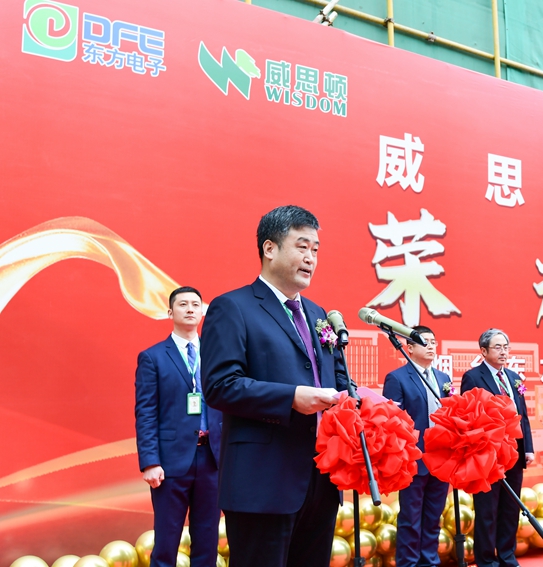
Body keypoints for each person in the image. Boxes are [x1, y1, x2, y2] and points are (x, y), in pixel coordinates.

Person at [201, 206, 349, 567]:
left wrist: (360, 400)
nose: (311, 258)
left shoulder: (318, 314)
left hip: (320, 479)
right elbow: (220, 385)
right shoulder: (232, 307)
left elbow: (336, 379)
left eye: (316, 249)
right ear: (270, 248)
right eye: (302, 246)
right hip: (262, 482)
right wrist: (291, 397)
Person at [135, 286, 223, 567]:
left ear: (202, 312)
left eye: (195, 304)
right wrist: (150, 462)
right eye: (183, 304)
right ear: (170, 313)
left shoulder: (217, 356)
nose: (190, 309)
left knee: (207, 540)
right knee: (166, 541)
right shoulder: (153, 357)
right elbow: (146, 412)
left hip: (212, 458)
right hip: (171, 462)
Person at [460, 329, 533, 567]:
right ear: (483, 351)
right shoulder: (473, 377)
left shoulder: (514, 377)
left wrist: (528, 448)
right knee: (487, 509)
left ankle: (507, 557)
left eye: (506, 347)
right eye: (498, 347)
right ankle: (486, 560)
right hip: (488, 454)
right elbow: (469, 416)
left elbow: (523, 416)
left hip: (514, 452)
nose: (503, 352)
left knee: (510, 508)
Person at [382, 326, 452, 567]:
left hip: (441, 458)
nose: (431, 346)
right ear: (409, 348)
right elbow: (393, 422)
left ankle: (429, 562)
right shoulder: (397, 378)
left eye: (434, 341)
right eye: (425, 342)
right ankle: (409, 563)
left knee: (434, 516)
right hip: (413, 459)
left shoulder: (443, 379)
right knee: (410, 518)